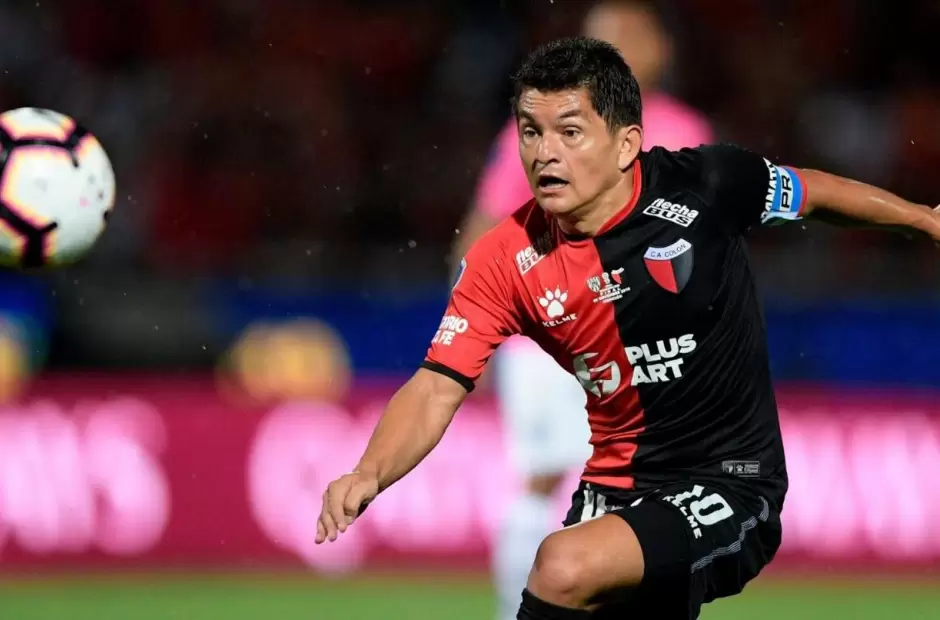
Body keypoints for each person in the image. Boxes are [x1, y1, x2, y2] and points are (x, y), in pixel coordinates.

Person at [316, 37, 940, 619]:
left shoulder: (708, 185)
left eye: (569, 131)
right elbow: (435, 385)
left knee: (560, 565)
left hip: (729, 483)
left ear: (625, 145)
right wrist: (370, 471)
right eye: (531, 132)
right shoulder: (505, 260)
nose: (544, 152)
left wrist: (922, 219)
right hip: (612, 493)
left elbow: (814, 193)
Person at [450, 3, 714, 618]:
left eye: (627, 37)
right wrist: (470, 333)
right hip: (549, 338)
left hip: (647, 346)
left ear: (660, 49)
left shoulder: (685, 128)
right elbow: (483, 232)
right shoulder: (543, 127)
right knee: (543, 477)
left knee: (653, 487)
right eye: (601, 39)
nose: (614, 50)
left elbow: (708, 246)